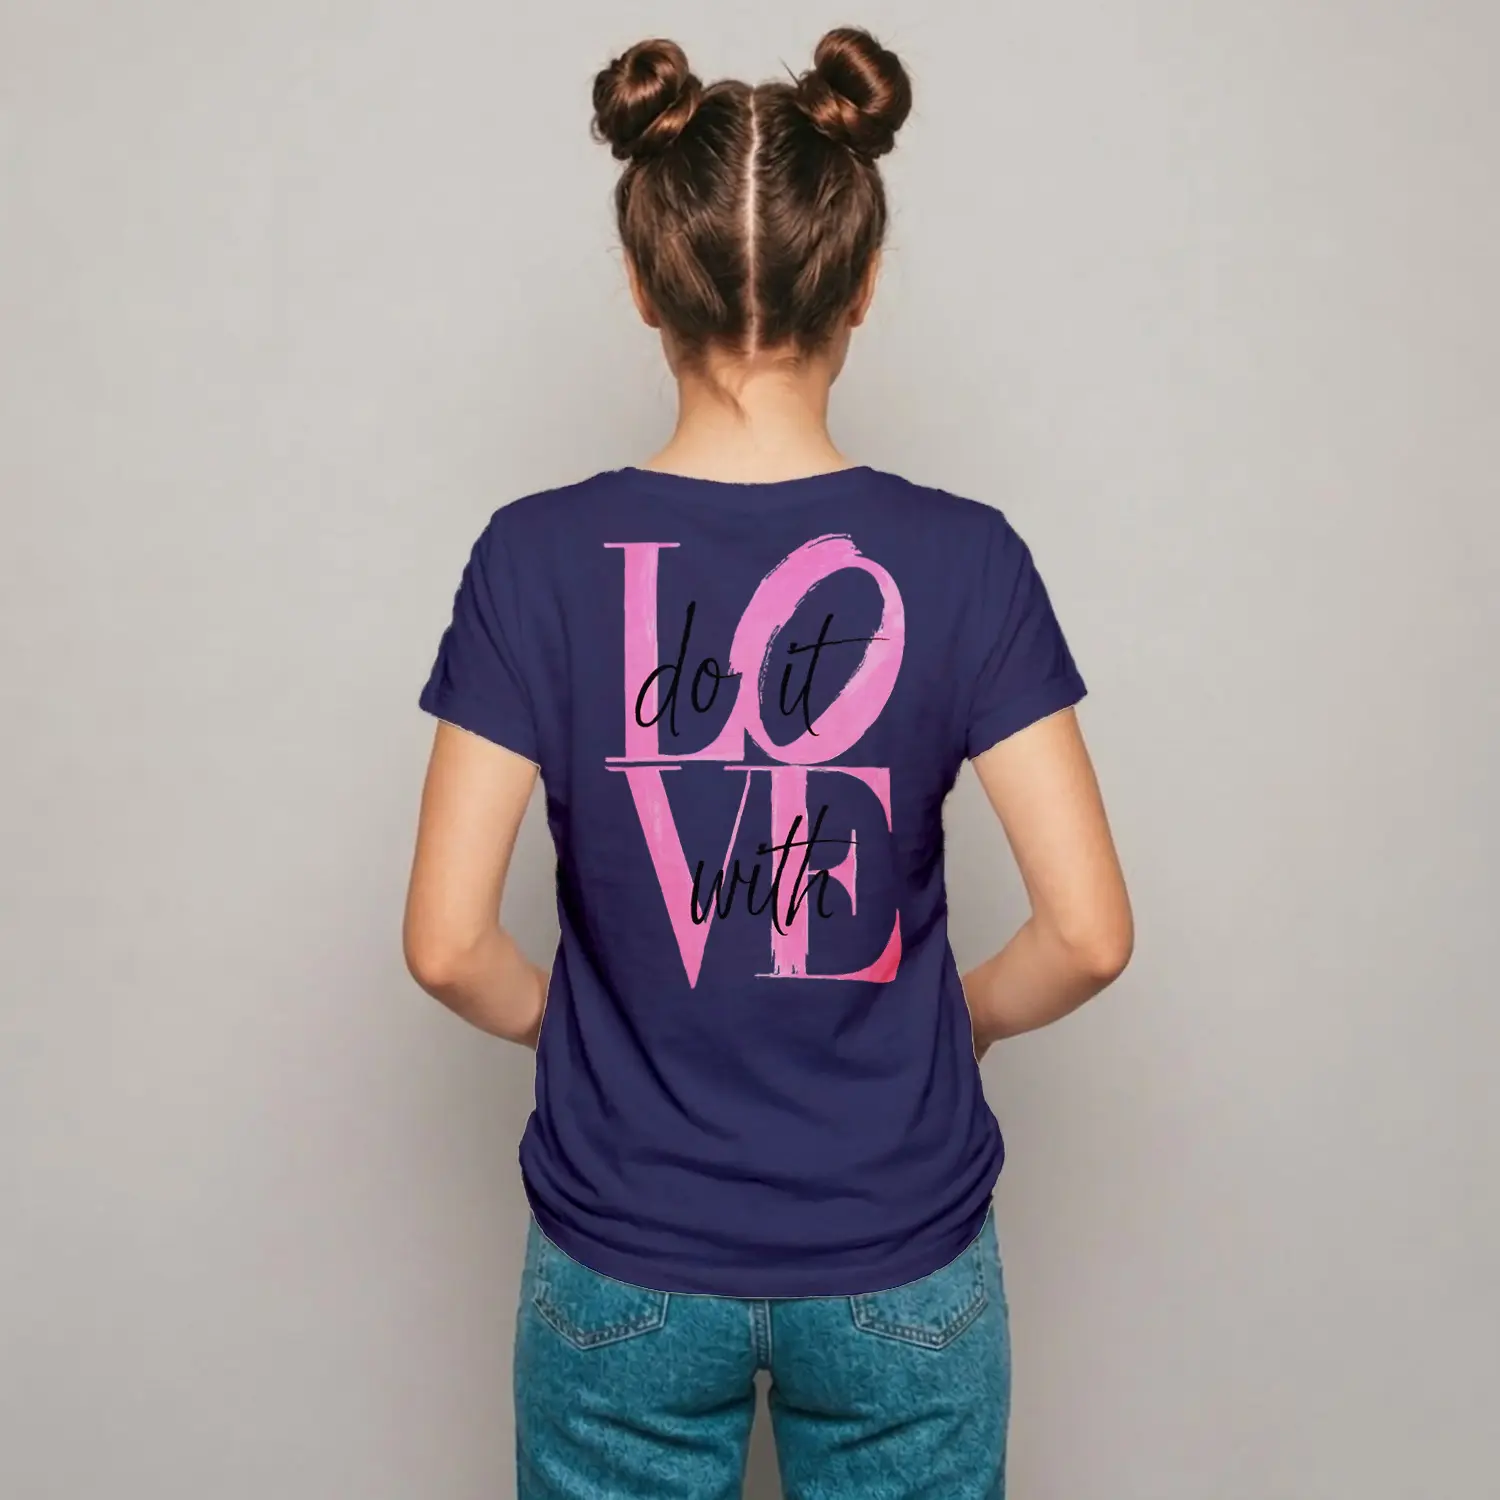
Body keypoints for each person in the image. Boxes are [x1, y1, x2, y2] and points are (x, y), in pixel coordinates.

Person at [403, 26, 1132, 1500]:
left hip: (621, 1253)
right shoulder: (968, 560)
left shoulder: (533, 557)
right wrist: (959, 1022)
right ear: (861, 284)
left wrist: (589, 1038)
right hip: (897, 1253)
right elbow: (1088, 937)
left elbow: (445, 946)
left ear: (642, 284)